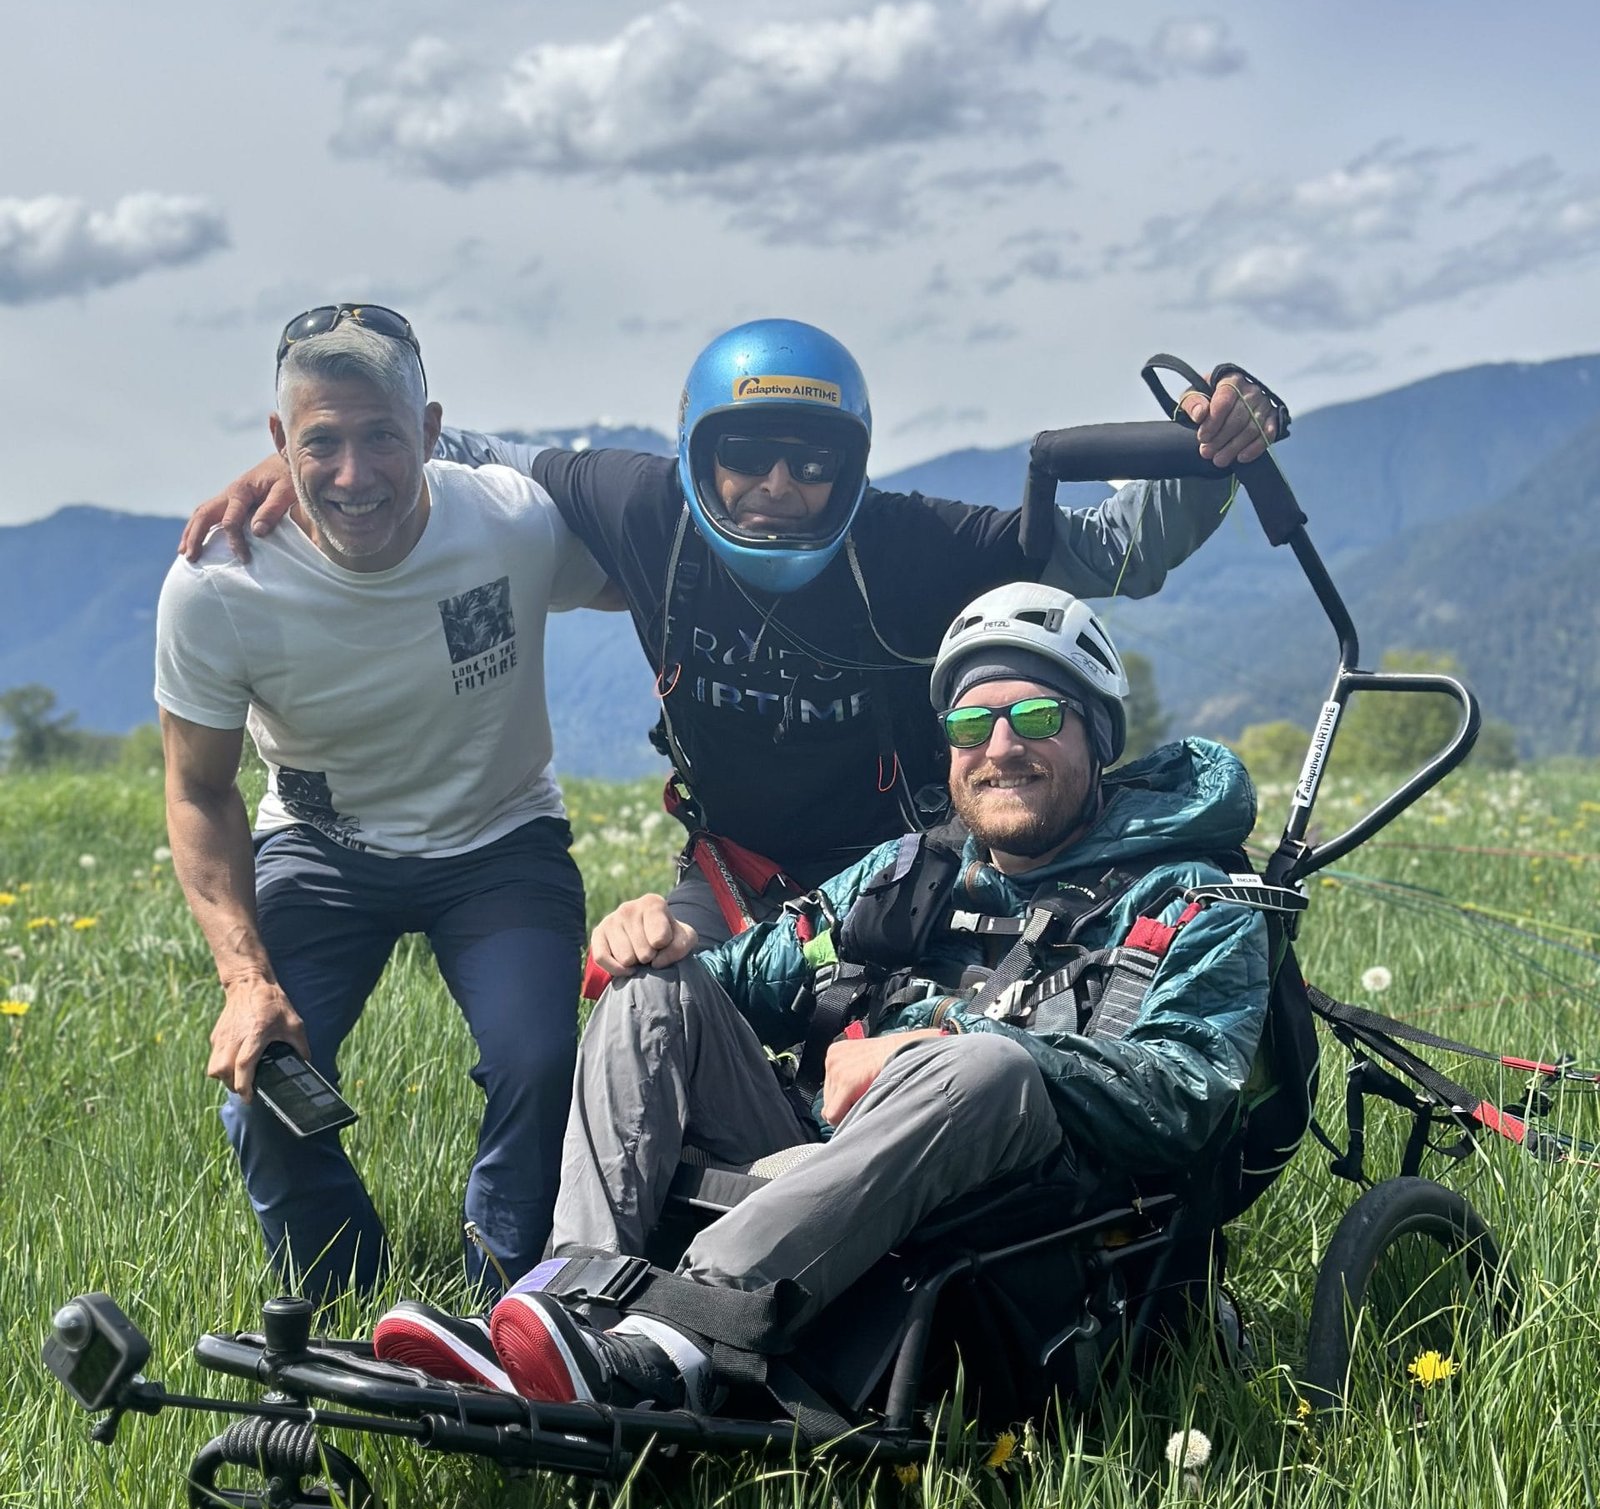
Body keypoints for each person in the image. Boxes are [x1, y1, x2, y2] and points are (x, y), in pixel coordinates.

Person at [370, 581, 1273, 1412]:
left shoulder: (1194, 897)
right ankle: (572, 1309)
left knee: (985, 1067)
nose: (1001, 747)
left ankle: (675, 1334)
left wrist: (940, 1043)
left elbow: (1189, 1091)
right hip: (826, 1167)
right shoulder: (907, 872)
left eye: (1037, 716)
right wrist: (657, 938)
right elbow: (726, 983)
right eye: (972, 723)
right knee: (652, 993)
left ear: (1098, 735)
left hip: (1031, 1215)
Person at [180, 320, 1287, 946]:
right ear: (696, 457)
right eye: (744, 455)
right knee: (644, 1014)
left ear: (853, 466)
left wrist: (1218, 448)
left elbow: (1115, 553)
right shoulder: (642, 510)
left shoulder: (911, 544)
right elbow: (462, 446)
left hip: (908, 875)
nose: (777, 485)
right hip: (729, 875)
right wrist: (318, 462)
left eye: (813, 460)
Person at [156, 304, 615, 1302]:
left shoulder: (509, 519)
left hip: (500, 841)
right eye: (321, 442)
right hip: (320, 848)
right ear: (278, 440)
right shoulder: (217, 584)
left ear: (432, 430)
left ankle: (505, 1304)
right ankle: (344, 1296)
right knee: (261, 1083)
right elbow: (196, 788)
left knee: (539, 1063)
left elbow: (648, 571)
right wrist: (244, 979)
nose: (353, 474)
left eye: (383, 437)